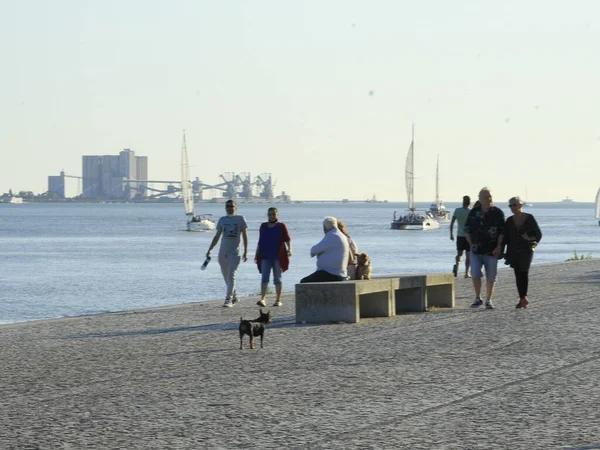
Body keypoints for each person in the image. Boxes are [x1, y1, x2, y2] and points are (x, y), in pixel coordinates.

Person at [464, 187, 505, 309]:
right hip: (476, 249)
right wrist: (470, 243)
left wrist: (499, 246)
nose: (489, 199)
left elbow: (502, 232)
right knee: (475, 273)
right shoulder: (473, 212)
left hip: (492, 250)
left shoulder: (497, 213)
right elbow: (466, 229)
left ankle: (488, 299)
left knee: (491, 276)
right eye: (486, 197)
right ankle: (478, 297)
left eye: (490, 196)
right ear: (480, 199)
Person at [205, 199, 248, 307]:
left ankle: (228, 299)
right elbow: (217, 236)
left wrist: (246, 251)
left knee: (231, 276)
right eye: (227, 206)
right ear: (225, 208)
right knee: (226, 277)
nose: (229, 208)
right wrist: (210, 249)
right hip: (223, 252)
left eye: (231, 206)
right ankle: (234, 295)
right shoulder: (222, 220)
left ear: (235, 207)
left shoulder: (240, 219)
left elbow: (245, 236)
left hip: (235, 252)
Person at [503, 196, 542, 309]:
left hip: (527, 250)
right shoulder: (509, 221)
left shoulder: (529, 218)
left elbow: (538, 235)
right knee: (517, 274)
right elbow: (505, 237)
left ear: (520, 205)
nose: (512, 207)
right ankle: (522, 298)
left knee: (524, 272)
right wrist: (500, 249)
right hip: (513, 251)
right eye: (510, 205)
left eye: (514, 205)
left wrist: (529, 239)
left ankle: (523, 297)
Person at [254, 207, 292, 308]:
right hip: (265, 256)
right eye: (270, 214)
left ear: (277, 215)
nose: (271, 216)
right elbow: (260, 241)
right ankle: (262, 299)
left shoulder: (281, 226)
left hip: (278, 257)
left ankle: (278, 300)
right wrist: (256, 254)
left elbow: (287, 239)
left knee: (277, 278)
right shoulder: (263, 226)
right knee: (264, 278)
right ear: (268, 215)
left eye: (273, 214)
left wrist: (290, 249)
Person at [300, 217, 349, 283]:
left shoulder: (332, 236)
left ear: (325, 227)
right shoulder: (341, 235)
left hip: (331, 273)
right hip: (340, 273)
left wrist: (320, 253)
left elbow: (313, 251)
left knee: (304, 282)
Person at [450, 195, 472, 278]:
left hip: (460, 236)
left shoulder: (457, 210)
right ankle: (466, 273)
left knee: (459, 254)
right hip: (468, 236)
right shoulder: (470, 212)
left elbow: (452, 222)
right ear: (469, 203)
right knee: (468, 255)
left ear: (463, 202)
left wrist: (451, 234)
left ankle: (457, 264)